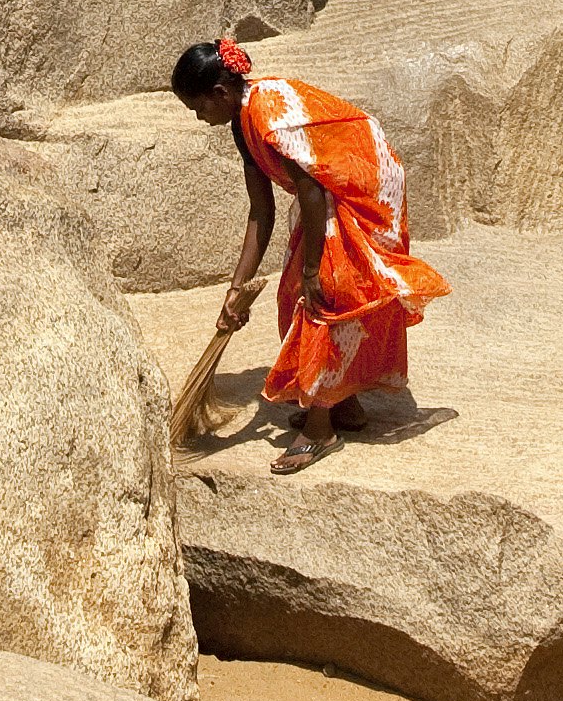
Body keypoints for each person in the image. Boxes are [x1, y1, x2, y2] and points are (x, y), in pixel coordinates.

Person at [174, 37, 446, 473]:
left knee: (321, 298)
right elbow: (260, 213)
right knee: (296, 295)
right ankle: (344, 404)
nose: (200, 118)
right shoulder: (241, 124)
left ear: (220, 93)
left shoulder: (267, 116)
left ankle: (320, 430)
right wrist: (236, 289)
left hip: (363, 188)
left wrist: (314, 268)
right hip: (330, 193)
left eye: (199, 108)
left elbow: (313, 190)